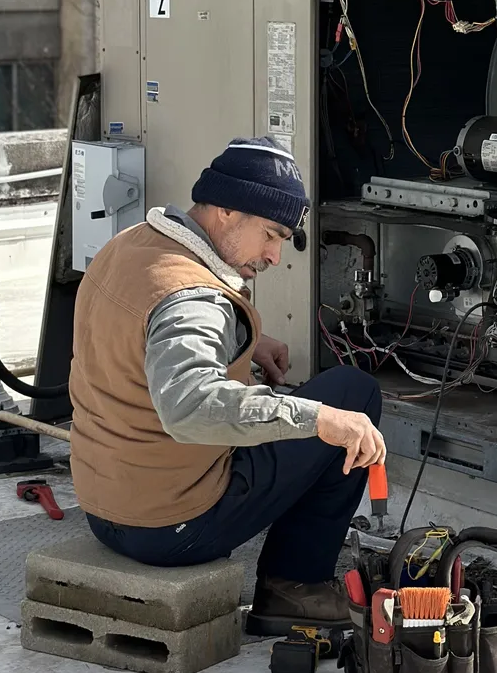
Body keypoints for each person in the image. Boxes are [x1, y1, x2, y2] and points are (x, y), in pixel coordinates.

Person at [68, 136, 385, 635]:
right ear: (227, 211)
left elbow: (138, 342)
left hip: (103, 507)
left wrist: (245, 340)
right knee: (352, 397)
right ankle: (292, 589)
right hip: (172, 529)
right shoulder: (193, 300)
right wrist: (319, 420)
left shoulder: (129, 248)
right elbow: (189, 405)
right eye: (271, 235)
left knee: (322, 407)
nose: (274, 256)